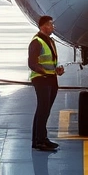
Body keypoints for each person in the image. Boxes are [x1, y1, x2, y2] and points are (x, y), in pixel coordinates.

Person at [29, 15, 65, 151]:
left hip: (50, 78)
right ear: (44, 26)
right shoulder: (37, 42)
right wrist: (44, 71)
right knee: (43, 109)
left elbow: (49, 61)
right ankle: (39, 141)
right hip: (41, 79)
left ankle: (41, 139)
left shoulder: (49, 41)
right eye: (51, 24)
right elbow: (32, 63)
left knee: (45, 110)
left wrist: (56, 70)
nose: (53, 27)